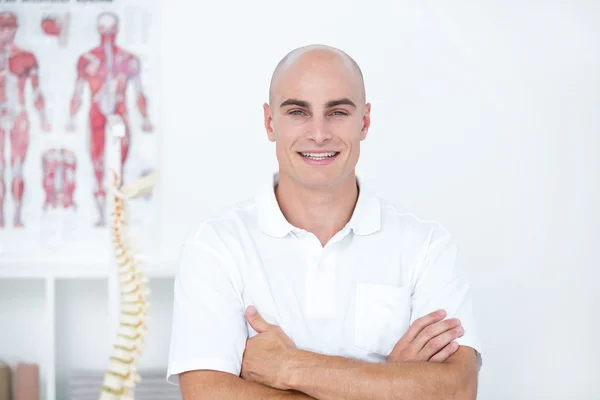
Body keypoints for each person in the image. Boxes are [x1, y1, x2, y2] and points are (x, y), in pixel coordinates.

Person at [167, 44, 483, 399]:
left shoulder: (426, 246)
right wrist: (389, 383)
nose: (318, 134)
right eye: (299, 112)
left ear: (364, 121)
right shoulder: (215, 246)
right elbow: (205, 395)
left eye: (337, 112)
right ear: (271, 122)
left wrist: (289, 367)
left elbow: (456, 390)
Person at [66, 11, 153, 227]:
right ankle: (100, 214)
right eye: (103, 29)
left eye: (111, 29)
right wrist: (70, 117)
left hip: (119, 116)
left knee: (118, 164)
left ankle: (115, 213)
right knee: (97, 162)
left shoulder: (128, 60)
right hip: (96, 115)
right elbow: (77, 92)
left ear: (117, 30)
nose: (107, 34)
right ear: (98, 30)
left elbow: (139, 92)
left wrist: (145, 118)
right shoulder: (87, 60)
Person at [0, 11, 51, 228]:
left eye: (10, 27)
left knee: (18, 167)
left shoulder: (26, 56)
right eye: (3, 27)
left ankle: (18, 214)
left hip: (19, 114)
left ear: (15, 29)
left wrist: (43, 117)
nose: (6, 31)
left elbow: (36, 91)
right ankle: (2, 215)